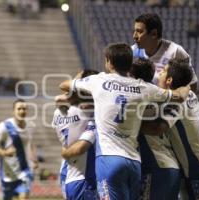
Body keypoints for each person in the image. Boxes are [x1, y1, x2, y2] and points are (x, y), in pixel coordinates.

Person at [59, 43, 190, 199]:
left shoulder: (99, 81)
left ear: (109, 62)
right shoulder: (145, 88)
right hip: (134, 162)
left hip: (109, 159)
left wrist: (83, 90)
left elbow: (64, 85)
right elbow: (178, 96)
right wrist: (187, 87)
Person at [132, 13, 198, 200]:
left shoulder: (176, 52)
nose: (134, 36)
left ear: (154, 34)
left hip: (168, 119)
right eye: (134, 31)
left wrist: (171, 105)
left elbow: (192, 85)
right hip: (143, 118)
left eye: (139, 31)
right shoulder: (133, 53)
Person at [143, 58, 199, 199]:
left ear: (169, 80)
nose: (159, 74)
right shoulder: (189, 94)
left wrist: (130, 125)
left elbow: (158, 129)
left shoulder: (177, 102)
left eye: (163, 72)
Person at [52, 69, 99, 200]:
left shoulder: (58, 112)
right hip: (84, 177)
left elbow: (61, 98)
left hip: (66, 173)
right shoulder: (92, 113)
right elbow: (80, 148)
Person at [0, 99, 38, 200]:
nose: (22, 111)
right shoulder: (5, 126)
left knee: (24, 197)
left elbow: (31, 143)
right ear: (13, 111)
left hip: (25, 171)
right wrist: (4, 152)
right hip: (9, 173)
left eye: (24, 109)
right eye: (19, 109)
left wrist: (34, 158)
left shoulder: (30, 125)